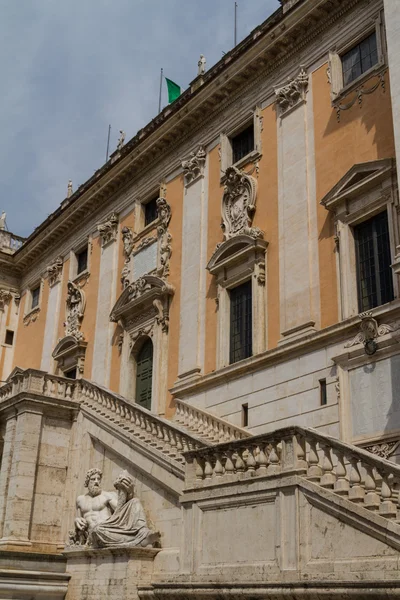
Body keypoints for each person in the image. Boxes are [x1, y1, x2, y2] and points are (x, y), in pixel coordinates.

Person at [72, 468, 159, 548]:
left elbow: (121, 510)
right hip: (94, 534)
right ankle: (138, 541)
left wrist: (129, 492)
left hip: (109, 527)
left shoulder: (107, 495)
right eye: (93, 479)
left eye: (98, 479)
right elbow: (79, 518)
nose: (96, 481)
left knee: (134, 501)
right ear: (87, 482)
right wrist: (77, 520)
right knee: (96, 531)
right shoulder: (80, 499)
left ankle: (142, 533)